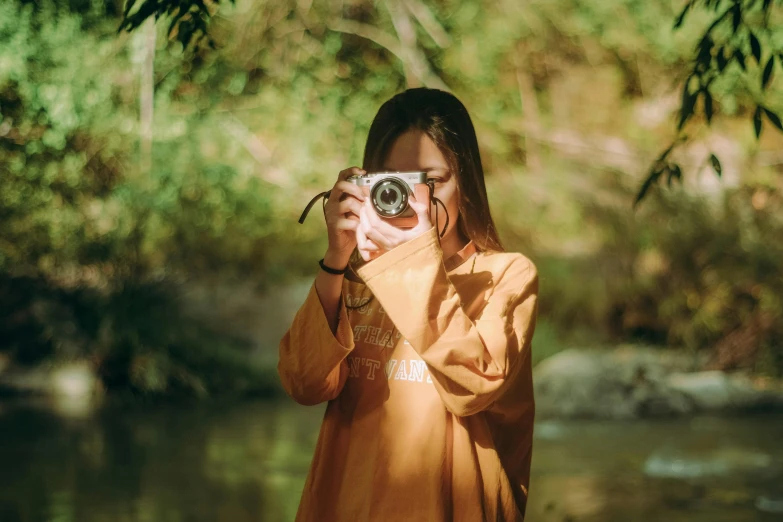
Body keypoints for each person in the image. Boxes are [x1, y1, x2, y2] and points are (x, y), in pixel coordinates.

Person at [278, 87, 539, 522]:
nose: (412, 196)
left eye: (431, 181)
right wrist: (336, 260)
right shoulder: (356, 279)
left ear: (467, 181)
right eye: (393, 182)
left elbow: (475, 383)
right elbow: (304, 383)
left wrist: (409, 257)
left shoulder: (506, 275)